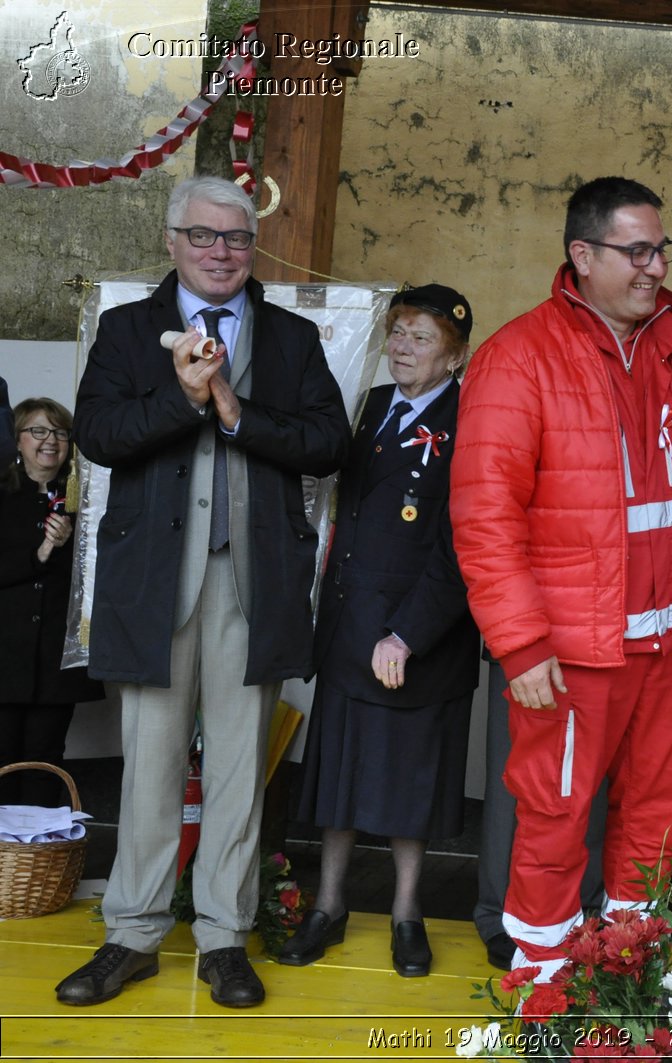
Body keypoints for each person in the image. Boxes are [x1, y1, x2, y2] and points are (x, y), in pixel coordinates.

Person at [57, 175, 349, 1008]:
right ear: (171, 239)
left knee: (235, 771)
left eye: (237, 239)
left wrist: (232, 411)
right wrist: (181, 400)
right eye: (204, 236)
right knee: (147, 765)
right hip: (155, 584)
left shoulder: (292, 338)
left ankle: (224, 937)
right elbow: (103, 436)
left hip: (252, 585)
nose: (222, 252)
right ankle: (133, 933)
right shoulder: (124, 329)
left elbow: (329, 443)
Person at [450, 176, 672, 985]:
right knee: (553, 821)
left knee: (658, 818)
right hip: (572, 650)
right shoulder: (519, 356)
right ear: (582, 255)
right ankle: (543, 989)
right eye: (636, 250)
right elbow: (485, 520)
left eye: (661, 248)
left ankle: (625, 978)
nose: (655, 267)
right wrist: (519, 642)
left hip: (670, 646)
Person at [277, 285, 481, 978]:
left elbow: (466, 545)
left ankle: (406, 912)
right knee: (336, 779)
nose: (401, 347)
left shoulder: (472, 420)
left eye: (421, 338)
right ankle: (328, 905)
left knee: (407, 787)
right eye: (397, 332)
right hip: (349, 628)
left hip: (414, 639)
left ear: (454, 355)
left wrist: (407, 634)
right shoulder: (372, 407)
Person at [0, 398, 104, 807]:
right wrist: (41, 552)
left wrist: (66, 547)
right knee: (3, 759)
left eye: (61, 433)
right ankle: (5, 865)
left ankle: (38, 860)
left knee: (45, 760)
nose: (51, 441)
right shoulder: (2, 496)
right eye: (38, 431)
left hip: (57, 661)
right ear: (18, 441)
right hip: (6, 657)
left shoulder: (87, 500)